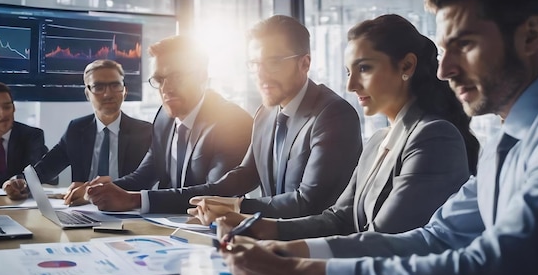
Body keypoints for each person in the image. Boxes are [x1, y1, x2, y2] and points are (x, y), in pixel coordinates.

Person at [221, 0, 538, 275]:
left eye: (465, 45)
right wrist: (289, 250)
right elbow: (436, 238)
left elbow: (493, 271)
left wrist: (298, 273)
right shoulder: (509, 137)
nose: (445, 70)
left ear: (531, 36)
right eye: (444, 50)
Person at [196, 14, 479, 239]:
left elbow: (382, 240)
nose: (350, 85)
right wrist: (257, 226)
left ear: (406, 66)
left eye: (364, 68)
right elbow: (339, 218)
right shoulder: (379, 140)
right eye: (348, 72)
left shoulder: (435, 137)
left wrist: (289, 259)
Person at [82, 16, 362, 217]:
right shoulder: (266, 113)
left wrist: (236, 208)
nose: (261, 75)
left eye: (273, 62)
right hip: (266, 241)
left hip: (313, 251)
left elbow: (309, 203)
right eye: (254, 64)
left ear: (305, 63)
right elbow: (240, 178)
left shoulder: (333, 115)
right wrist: (131, 197)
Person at [63, 35, 253, 211]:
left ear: (201, 76)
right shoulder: (164, 117)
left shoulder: (231, 121)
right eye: (159, 80)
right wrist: (97, 190)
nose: (166, 88)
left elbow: (216, 193)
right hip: (166, 228)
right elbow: (145, 175)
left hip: (213, 232)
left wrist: (134, 200)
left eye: (176, 77)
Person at [2, 60, 152, 200]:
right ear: (87, 93)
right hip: (83, 213)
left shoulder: (145, 132)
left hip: (129, 213)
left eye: (115, 85)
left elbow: (144, 181)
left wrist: (89, 190)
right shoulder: (77, 129)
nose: (108, 94)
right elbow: (46, 169)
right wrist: (20, 182)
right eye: (98, 87)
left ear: (124, 91)